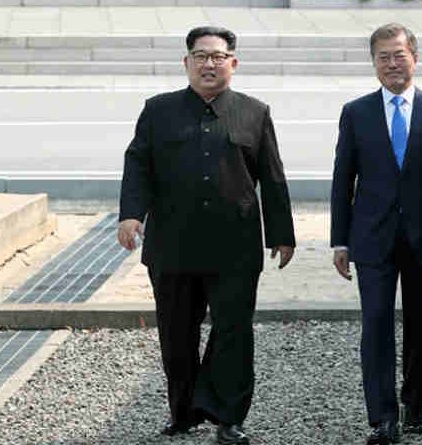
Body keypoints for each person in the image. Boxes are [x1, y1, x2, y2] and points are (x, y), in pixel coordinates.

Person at [117, 26, 296, 445]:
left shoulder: (255, 112)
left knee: (234, 333)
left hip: (234, 248)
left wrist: (282, 234)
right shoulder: (158, 111)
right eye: (200, 56)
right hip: (172, 246)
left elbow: (272, 178)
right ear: (186, 63)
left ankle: (228, 416)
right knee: (177, 335)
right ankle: (183, 413)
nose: (209, 64)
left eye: (218, 56)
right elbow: (138, 165)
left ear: (233, 63)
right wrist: (130, 216)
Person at [330, 23, 422, 445]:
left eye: (399, 55)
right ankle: (382, 418)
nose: (392, 64)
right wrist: (340, 239)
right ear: (373, 63)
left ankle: (415, 405)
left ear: (415, 57)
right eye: (383, 57)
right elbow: (343, 179)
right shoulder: (356, 112)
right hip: (372, 238)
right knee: (375, 325)